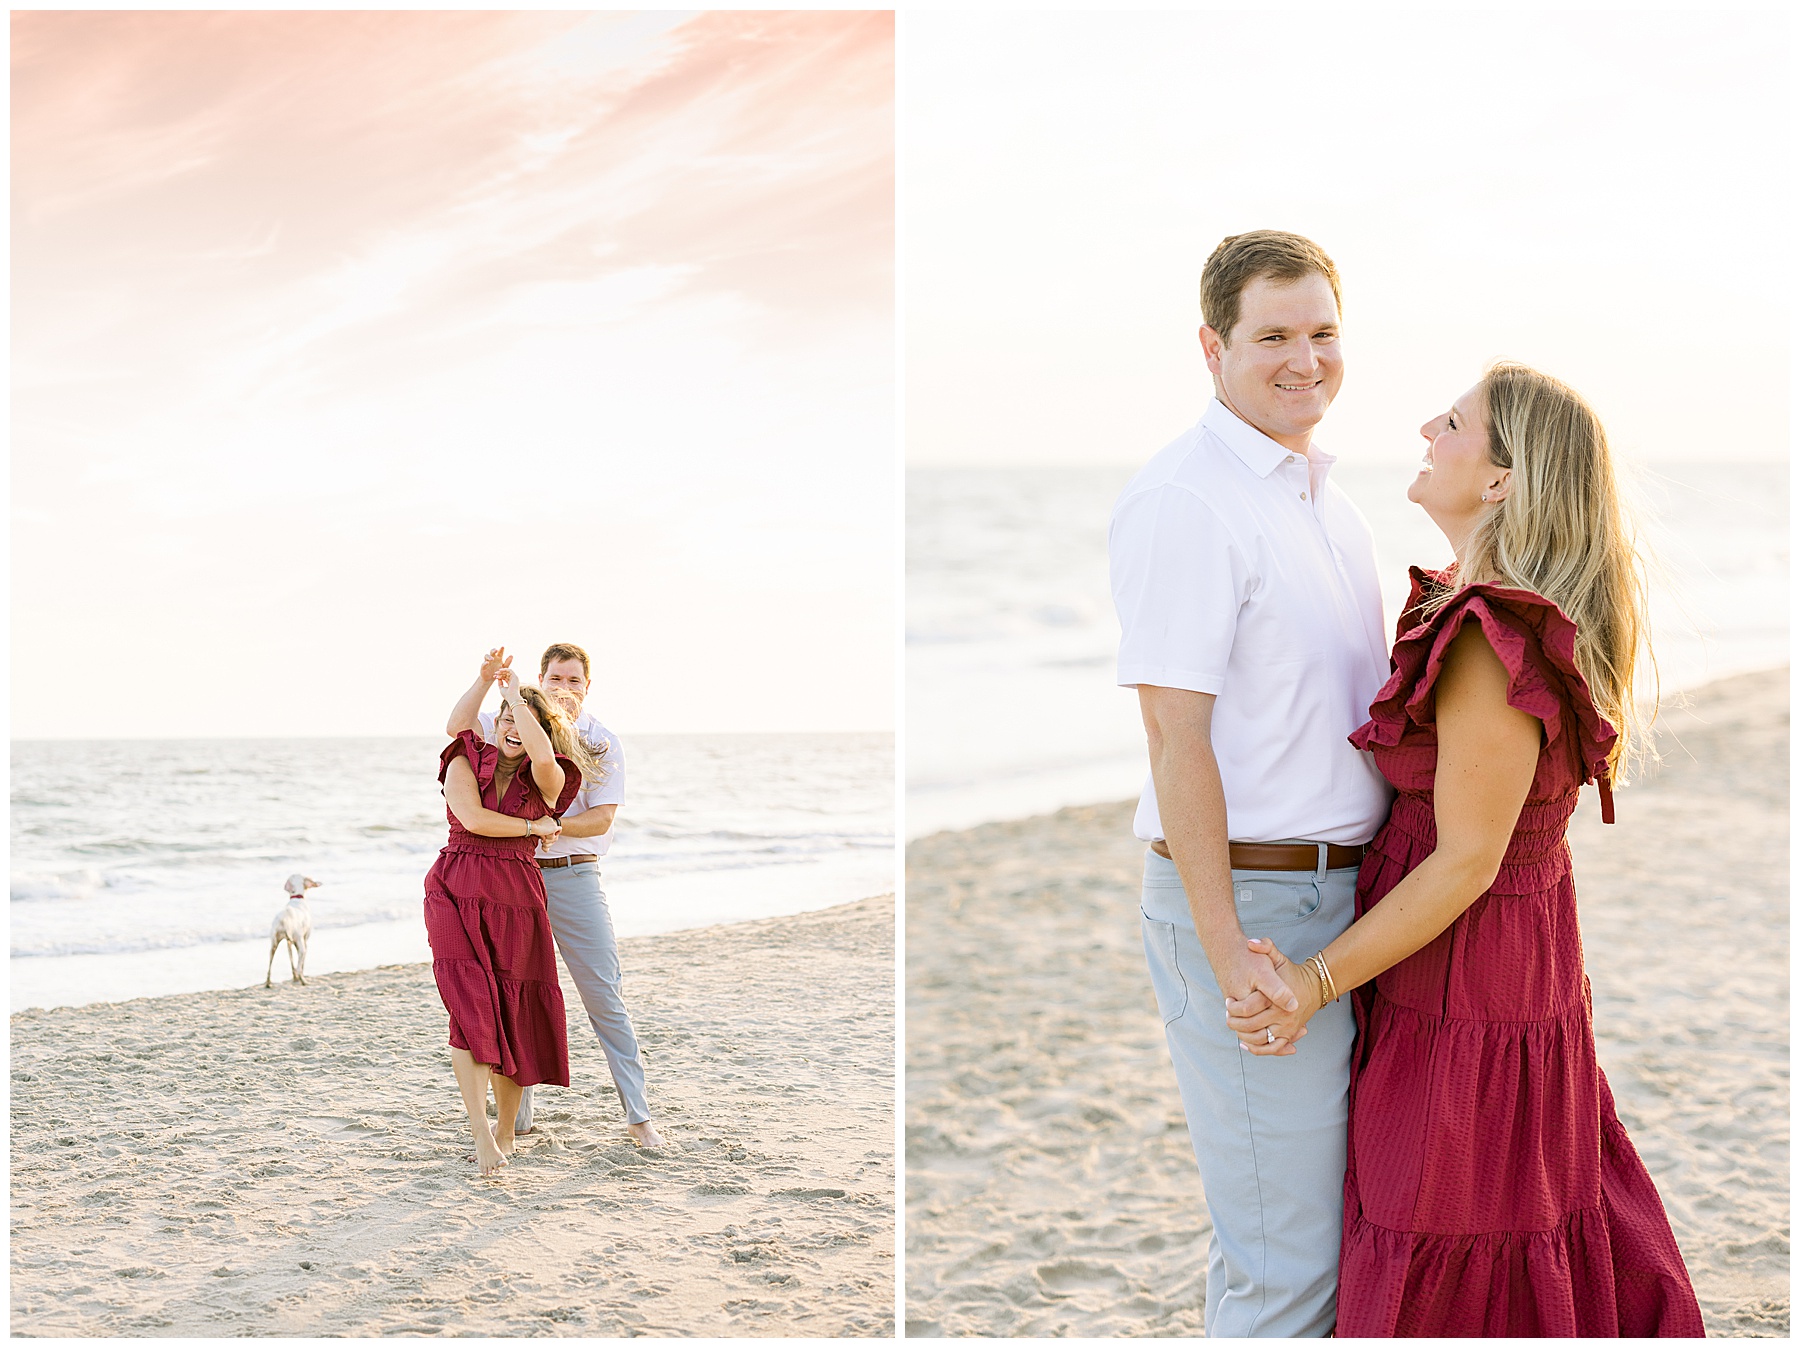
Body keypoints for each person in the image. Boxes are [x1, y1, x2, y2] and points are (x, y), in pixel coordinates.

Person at [1224, 364, 1705, 1335]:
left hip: (1468, 985)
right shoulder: (1476, 605)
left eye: (1451, 423)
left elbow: (1466, 861)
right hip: (1496, 971)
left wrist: (1314, 980)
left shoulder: (1490, 639)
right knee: (1497, 1216)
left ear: (1499, 481)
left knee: (1443, 1226)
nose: (1424, 430)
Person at [1107, 230, 1393, 1336]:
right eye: (1273, 335)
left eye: (1323, 333)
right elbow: (1176, 740)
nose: (1303, 359)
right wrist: (1231, 955)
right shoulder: (1190, 499)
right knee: (1286, 1259)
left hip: (1348, 906)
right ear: (1212, 345)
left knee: (1314, 1229)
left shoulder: (1329, 499)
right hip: (1254, 913)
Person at [448, 643, 664, 1150]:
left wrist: (549, 826)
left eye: (574, 681)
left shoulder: (601, 741)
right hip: (511, 878)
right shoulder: (511, 723)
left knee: (602, 993)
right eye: (556, 679)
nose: (564, 689)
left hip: (573, 876)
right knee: (515, 991)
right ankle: (516, 1118)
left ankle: (638, 1116)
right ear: (540, 680)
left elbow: (603, 819)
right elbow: (460, 729)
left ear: (587, 688)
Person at [425, 665, 597, 1176]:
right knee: (471, 1008)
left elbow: (543, 753)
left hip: (517, 896)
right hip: (456, 889)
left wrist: (520, 699)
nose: (513, 727)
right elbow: (474, 819)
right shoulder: (465, 758)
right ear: (494, 722)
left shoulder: (551, 776)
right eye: (504, 718)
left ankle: (505, 1132)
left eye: (524, 722)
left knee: (515, 1012)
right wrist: (487, 683)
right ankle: (482, 1133)